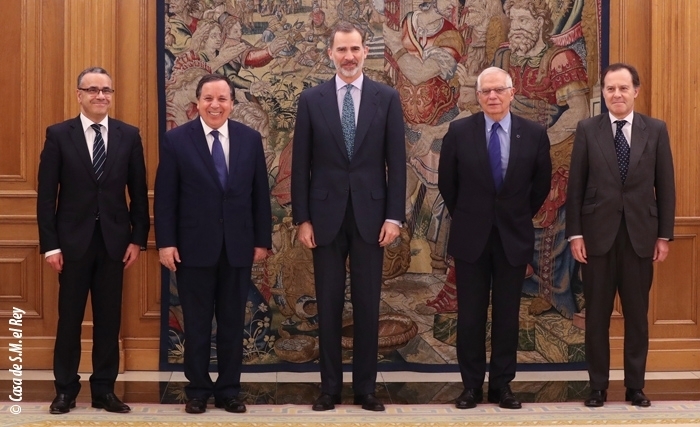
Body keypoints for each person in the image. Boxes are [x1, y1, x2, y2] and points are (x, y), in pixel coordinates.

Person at [291, 21, 406, 412]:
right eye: (341, 50)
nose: (349, 56)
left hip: (373, 219)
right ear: (330, 54)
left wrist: (394, 217)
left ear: (365, 52)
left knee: (368, 304)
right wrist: (302, 219)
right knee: (328, 304)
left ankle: (366, 389)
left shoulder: (386, 97)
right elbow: (300, 164)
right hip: (323, 218)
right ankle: (329, 389)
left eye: (355, 49)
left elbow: (397, 163)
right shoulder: (312, 99)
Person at [154, 74, 272, 414]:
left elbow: (259, 195)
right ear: (198, 102)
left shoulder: (250, 139)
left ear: (232, 103)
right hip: (193, 248)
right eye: (209, 98)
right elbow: (165, 198)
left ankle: (229, 390)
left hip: (238, 246)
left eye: (222, 99)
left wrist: (262, 240)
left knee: (233, 322)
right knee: (197, 323)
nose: (215, 105)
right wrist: (166, 243)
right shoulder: (176, 140)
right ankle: (197, 390)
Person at [37, 67, 149, 414]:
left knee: (108, 321)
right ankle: (65, 390)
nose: (101, 96)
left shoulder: (129, 135)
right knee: (69, 320)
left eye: (106, 90)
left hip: (115, 244)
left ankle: (104, 390)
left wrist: (138, 239)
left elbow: (138, 193)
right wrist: (50, 245)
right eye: (93, 90)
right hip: (71, 246)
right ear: (79, 95)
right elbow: (46, 196)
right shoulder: (58, 135)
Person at [438, 66, 551, 410]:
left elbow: (540, 186)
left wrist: (513, 216)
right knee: (470, 316)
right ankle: (471, 387)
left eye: (499, 90)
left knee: (507, 316)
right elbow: (448, 185)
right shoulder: (459, 132)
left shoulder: (533, 134)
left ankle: (502, 386)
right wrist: (474, 215)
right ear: (477, 95)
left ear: (511, 93)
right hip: (471, 237)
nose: (492, 97)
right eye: (485, 91)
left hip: (513, 237)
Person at [566, 63, 676, 408]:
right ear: (603, 93)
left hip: (641, 238)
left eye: (623, 88)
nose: (616, 94)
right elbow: (576, 187)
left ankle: (635, 387)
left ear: (636, 91)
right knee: (596, 317)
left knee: (637, 318)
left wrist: (664, 236)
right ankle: (597, 387)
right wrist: (575, 235)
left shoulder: (655, 130)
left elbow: (666, 186)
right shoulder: (587, 129)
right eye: (610, 89)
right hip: (596, 238)